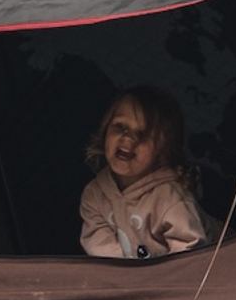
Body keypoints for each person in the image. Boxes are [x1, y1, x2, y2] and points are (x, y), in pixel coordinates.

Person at [78, 84, 210, 261]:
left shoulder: (171, 198)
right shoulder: (95, 194)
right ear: (105, 130)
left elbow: (190, 257)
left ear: (163, 150)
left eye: (143, 134)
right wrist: (128, 281)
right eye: (120, 127)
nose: (128, 139)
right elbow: (102, 250)